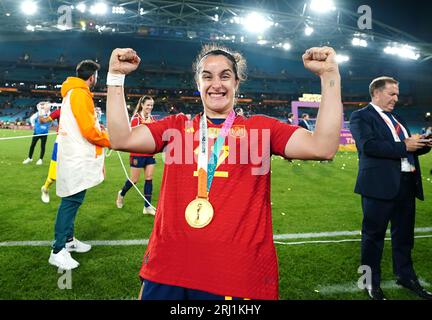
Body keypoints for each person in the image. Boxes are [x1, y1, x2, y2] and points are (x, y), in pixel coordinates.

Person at [106, 45, 342, 300]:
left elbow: (323, 146)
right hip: (168, 267)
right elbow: (121, 138)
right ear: (198, 83)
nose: (216, 84)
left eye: (225, 76)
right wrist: (116, 78)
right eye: (207, 76)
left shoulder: (261, 130)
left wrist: (329, 76)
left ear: (237, 83)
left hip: (234, 274)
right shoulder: (176, 126)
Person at [349, 76, 432, 300]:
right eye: (392, 93)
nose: (396, 98)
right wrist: (405, 145)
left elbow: (406, 150)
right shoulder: (360, 116)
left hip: (406, 185)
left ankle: (406, 276)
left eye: (397, 94)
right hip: (378, 187)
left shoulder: (398, 118)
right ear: (376, 92)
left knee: (404, 237)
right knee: (372, 238)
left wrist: (423, 144)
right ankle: (369, 283)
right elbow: (368, 146)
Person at [48, 60, 110, 270]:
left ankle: (68, 241)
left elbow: (85, 124)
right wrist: (110, 140)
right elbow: (89, 131)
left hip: (72, 153)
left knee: (73, 196)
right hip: (76, 155)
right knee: (72, 199)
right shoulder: (80, 94)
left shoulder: (71, 93)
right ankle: (57, 250)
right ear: (92, 76)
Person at [116, 95, 157, 215]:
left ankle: (147, 207)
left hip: (150, 153)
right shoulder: (136, 119)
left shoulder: (152, 118)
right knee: (134, 180)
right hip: (137, 153)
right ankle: (121, 194)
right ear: (142, 105)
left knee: (149, 178)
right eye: (148, 105)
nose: (150, 107)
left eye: (152, 105)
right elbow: (134, 136)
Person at [39, 106, 61, 203]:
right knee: (53, 175)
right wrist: (41, 112)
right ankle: (45, 188)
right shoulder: (59, 112)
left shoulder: (79, 111)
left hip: (74, 144)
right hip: (60, 143)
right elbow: (43, 121)